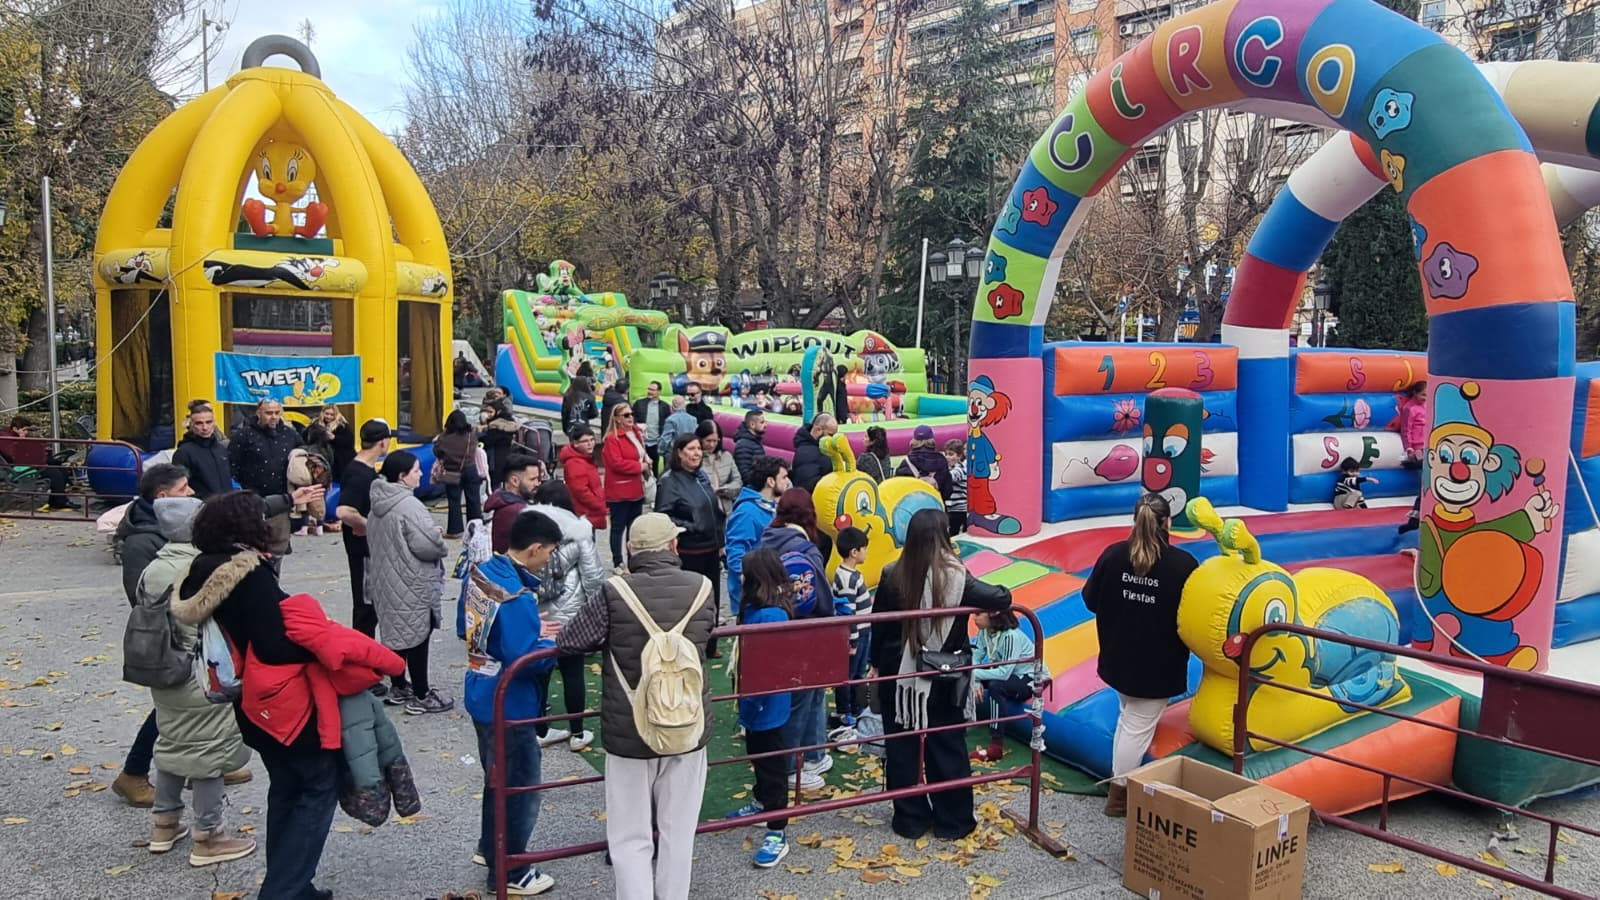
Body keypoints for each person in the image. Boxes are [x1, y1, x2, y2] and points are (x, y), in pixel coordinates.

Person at [174, 490, 402, 900]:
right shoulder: (247, 572)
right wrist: (320, 640)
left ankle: (292, 885)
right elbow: (274, 645)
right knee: (317, 786)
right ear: (245, 526)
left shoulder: (203, 568)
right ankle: (284, 889)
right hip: (283, 703)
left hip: (251, 704)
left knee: (286, 788)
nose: (268, 523)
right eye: (261, 517)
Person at [555, 513, 718, 900]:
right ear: (673, 547)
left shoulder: (615, 591)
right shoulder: (703, 587)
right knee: (679, 831)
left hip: (629, 726)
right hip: (686, 724)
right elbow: (708, 637)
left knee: (629, 835)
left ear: (631, 551)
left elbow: (571, 640)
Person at [870, 507, 1011, 841]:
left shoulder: (892, 573)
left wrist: (876, 665)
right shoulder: (958, 576)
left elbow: (878, 629)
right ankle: (954, 821)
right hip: (944, 672)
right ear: (945, 536)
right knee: (947, 745)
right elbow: (1001, 597)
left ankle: (909, 820)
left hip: (899, 676)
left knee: (902, 747)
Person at [134, 496, 256, 866]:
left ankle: (164, 823)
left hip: (162, 670)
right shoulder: (197, 567)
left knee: (172, 745)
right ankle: (209, 835)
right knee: (208, 751)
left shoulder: (152, 567)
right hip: (199, 669)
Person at [460, 510, 564, 897]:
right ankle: (511, 869)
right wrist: (552, 645)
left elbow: (465, 627)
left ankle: (491, 848)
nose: (549, 559)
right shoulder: (518, 597)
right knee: (519, 785)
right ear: (535, 548)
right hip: (511, 701)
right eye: (549, 552)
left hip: (479, 686)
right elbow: (525, 661)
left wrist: (530, 628)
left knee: (494, 777)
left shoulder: (482, 572)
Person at [1081, 493, 1198, 818]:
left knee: (1130, 714)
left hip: (1118, 655)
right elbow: (1192, 617)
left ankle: (1119, 781)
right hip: (1157, 664)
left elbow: (1090, 599)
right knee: (1136, 724)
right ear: (1167, 522)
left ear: (1135, 520)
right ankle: (1119, 793)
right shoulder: (1183, 564)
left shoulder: (1113, 555)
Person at [367, 450, 453, 714]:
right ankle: (421, 693)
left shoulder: (377, 502)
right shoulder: (408, 505)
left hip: (384, 577)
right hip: (410, 579)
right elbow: (426, 546)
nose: (421, 474)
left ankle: (398, 684)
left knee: (395, 633)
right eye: (416, 470)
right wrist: (437, 540)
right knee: (417, 635)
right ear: (402, 477)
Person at [728, 549, 798, 867]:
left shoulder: (770, 615)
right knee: (759, 755)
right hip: (757, 702)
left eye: (744, 572)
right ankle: (762, 801)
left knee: (772, 764)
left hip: (766, 704)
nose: (740, 577)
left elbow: (767, 668)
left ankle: (777, 830)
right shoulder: (759, 607)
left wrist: (752, 701)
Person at [760, 488, 834, 787]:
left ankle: (813, 753)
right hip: (806, 630)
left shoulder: (767, 540)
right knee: (805, 696)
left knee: (800, 695)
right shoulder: (806, 549)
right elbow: (822, 595)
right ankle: (794, 764)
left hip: (773, 627)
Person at [527, 480, 604, 752]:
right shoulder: (580, 531)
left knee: (541, 671)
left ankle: (540, 729)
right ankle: (578, 732)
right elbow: (593, 576)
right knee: (573, 672)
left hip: (539, 610)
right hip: (571, 611)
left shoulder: (529, 531)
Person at [655, 435, 727, 656]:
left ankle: (710, 644)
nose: (696, 453)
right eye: (691, 449)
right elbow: (663, 515)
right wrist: (692, 526)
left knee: (712, 598)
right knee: (689, 600)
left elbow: (712, 509)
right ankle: (688, 646)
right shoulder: (669, 481)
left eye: (698, 449)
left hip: (711, 548)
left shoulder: (702, 476)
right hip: (689, 550)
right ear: (679, 452)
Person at [337, 420, 396, 642]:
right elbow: (344, 511)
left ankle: (370, 657)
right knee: (366, 607)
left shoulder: (366, 469)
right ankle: (363, 664)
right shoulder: (358, 474)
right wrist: (368, 525)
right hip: (363, 551)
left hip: (371, 549)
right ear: (383, 442)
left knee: (373, 605)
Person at [228, 399, 301, 569]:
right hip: (252, 501)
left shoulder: (290, 435)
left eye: (277, 412)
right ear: (258, 413)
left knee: (277, 552)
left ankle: (273, 586)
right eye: (269, 413)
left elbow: (302, 460)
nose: (273, 417)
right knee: (250, 550)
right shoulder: (243, 436)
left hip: (282, 501)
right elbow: (231, 465)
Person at [969, 607, 1036, 764]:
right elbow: (975, 659)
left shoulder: (1011, 636)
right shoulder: (985, 632)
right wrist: (975, 680)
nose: (974, 619)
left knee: (995, 686)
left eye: (978, 614)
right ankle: (960, 724)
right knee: (963, 674)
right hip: (1003, 673)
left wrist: (974, 674)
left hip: (1027, 678)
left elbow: (1004, 673)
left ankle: (996, 746)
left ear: (993, 613)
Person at [725, 455, 788, 622]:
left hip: (770, 592)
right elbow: (735, 555)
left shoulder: (770, 507)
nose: (788, 482)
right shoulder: (746, 513)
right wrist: (749, 587)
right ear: (770, 481)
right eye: (784, 477)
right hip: (755, 598)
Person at [831, 526, 872, 728]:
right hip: (857, 635)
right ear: (854, 552)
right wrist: (853, 640)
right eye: (864, 548)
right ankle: (845, 711)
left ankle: (856, 707)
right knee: (848, 675)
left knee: (857, 674)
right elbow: (849, 613)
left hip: (863, 632)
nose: (867, 552)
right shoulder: (848, 579)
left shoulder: (852, 574)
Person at [602, 404, 651, 569]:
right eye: (626, 415)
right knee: (618, 528)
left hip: (636, 488)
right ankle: (618, 561)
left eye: (632, 414)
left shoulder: (636, 433)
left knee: (634, 527)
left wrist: (646, 461)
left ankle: (633, 559)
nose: (630, 417)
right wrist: (640, 467)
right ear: (617, 419)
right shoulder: (612, 439)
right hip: (619, 491)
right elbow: (616, 464)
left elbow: (641, 453)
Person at [0, 414, 77, 509]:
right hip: (20, 468)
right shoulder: (7, 439)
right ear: (15, 429)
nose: (27, 432)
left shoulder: (14, 437)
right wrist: (21, 441)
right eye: (24, 430)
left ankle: (58, 499)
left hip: (27, 464)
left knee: (61, 470)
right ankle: (59, 501)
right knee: (55, 473)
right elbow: (14, 456)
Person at [434, 409, 485, 539]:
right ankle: (476, 529)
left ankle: (455, 530)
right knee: (473, 499)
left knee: (454, 501)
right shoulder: (470, 435)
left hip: (452, 472)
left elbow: (437, 452)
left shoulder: (444, 439)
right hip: (470, 469)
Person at [171, 401, 231, 499]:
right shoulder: (183, 453)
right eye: (199, 423)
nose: (205, 427)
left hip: (226, 506)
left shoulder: (221, 449)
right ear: (191, 425)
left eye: (209, 422)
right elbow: (178, 487)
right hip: (200, 508)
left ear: (214, 423)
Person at [486, 453, 545, 554]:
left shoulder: (504, 501)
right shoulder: (515, 511)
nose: (537, 484)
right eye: (532, 479)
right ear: (514, 481)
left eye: (538, 479)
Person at [560, 425, 607, 531]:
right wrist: (598, 504)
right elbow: (581, 491)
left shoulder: (585, 459)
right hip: (584, 513)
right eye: (585, 441)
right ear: (575, 444)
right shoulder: (574, 463)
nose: (590, 444)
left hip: (589, 511)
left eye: (592, 440)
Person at [1398, 381, 1428, 535]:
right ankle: (1414, 520)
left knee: (1426, 486)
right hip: (1417, 448)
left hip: (1428, 446)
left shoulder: (1427, 406)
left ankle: (1416, 519)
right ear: (1415, 393)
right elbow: (1406, 429)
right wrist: (1408, 447)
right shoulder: (1410, 408)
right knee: (1425, 485)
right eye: (1423, 394)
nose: (1425, 398)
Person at [896, 425, 953, 503]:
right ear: (932, 439)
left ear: (914, 440)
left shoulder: (907, 462)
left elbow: (899, 488)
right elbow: (948, 491)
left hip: (913, 508)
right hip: (936, 506)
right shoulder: (941, 460)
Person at [479, 388, 522, 491]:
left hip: (495, 461)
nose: (487, 414)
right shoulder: (507, 423)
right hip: (502, 459)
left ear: (497, 412)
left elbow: (488, 441)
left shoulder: (496, 426)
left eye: (490, 412)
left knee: (495, 486)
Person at [697, 419, 742, 515]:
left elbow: (738, 481)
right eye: (708, 441)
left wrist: (724, 490)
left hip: (726, 510)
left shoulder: (727, 457)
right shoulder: (694, 458)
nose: (712, 445)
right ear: (700, 439)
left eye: (715, 441)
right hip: (703, 511)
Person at [632, 381, 671, 475]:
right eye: (649, 389)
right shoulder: (639, 404)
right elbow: (632, 419)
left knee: (654, 468)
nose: (649, 391)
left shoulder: (664, 406)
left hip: (656, 443)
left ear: (659, 392)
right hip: (641, 442)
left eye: (653, 390)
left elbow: (666, 424)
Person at [789, 414, 837, 492]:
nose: (832, 439)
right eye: (830, 435)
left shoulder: (819, 448)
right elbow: (808, 485)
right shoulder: (807, 454)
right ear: (818, 430)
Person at [317, 404, 356, 482]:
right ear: (322, 413)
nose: (329, 417)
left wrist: (334, 438)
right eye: (327, 414)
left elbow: (349, 442)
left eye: (332, 415)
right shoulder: (317, 425)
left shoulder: (342, 425)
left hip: (342, 460)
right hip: (326, 457)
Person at [731, 410, 766, 484]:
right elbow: (745, 475)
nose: (766, 425)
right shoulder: (743, 446)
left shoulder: (755, 441)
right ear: (752, 425)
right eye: (762, 422)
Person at [658, 396, 698, 460]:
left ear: (672, 407)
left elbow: (665, 439)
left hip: (674, 454)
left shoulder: (671, 420)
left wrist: (661, 451)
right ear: (684, 406)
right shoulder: (693, 419)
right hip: (689, 453)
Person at [944, 439, 968, 536]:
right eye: (946, 454)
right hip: (952, 508)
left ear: (959, 456)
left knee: (954, 533)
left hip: (960, 509)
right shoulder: (950, 468)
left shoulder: (960, 469)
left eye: (951, 454)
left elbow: (950, 478)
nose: (947, 457)